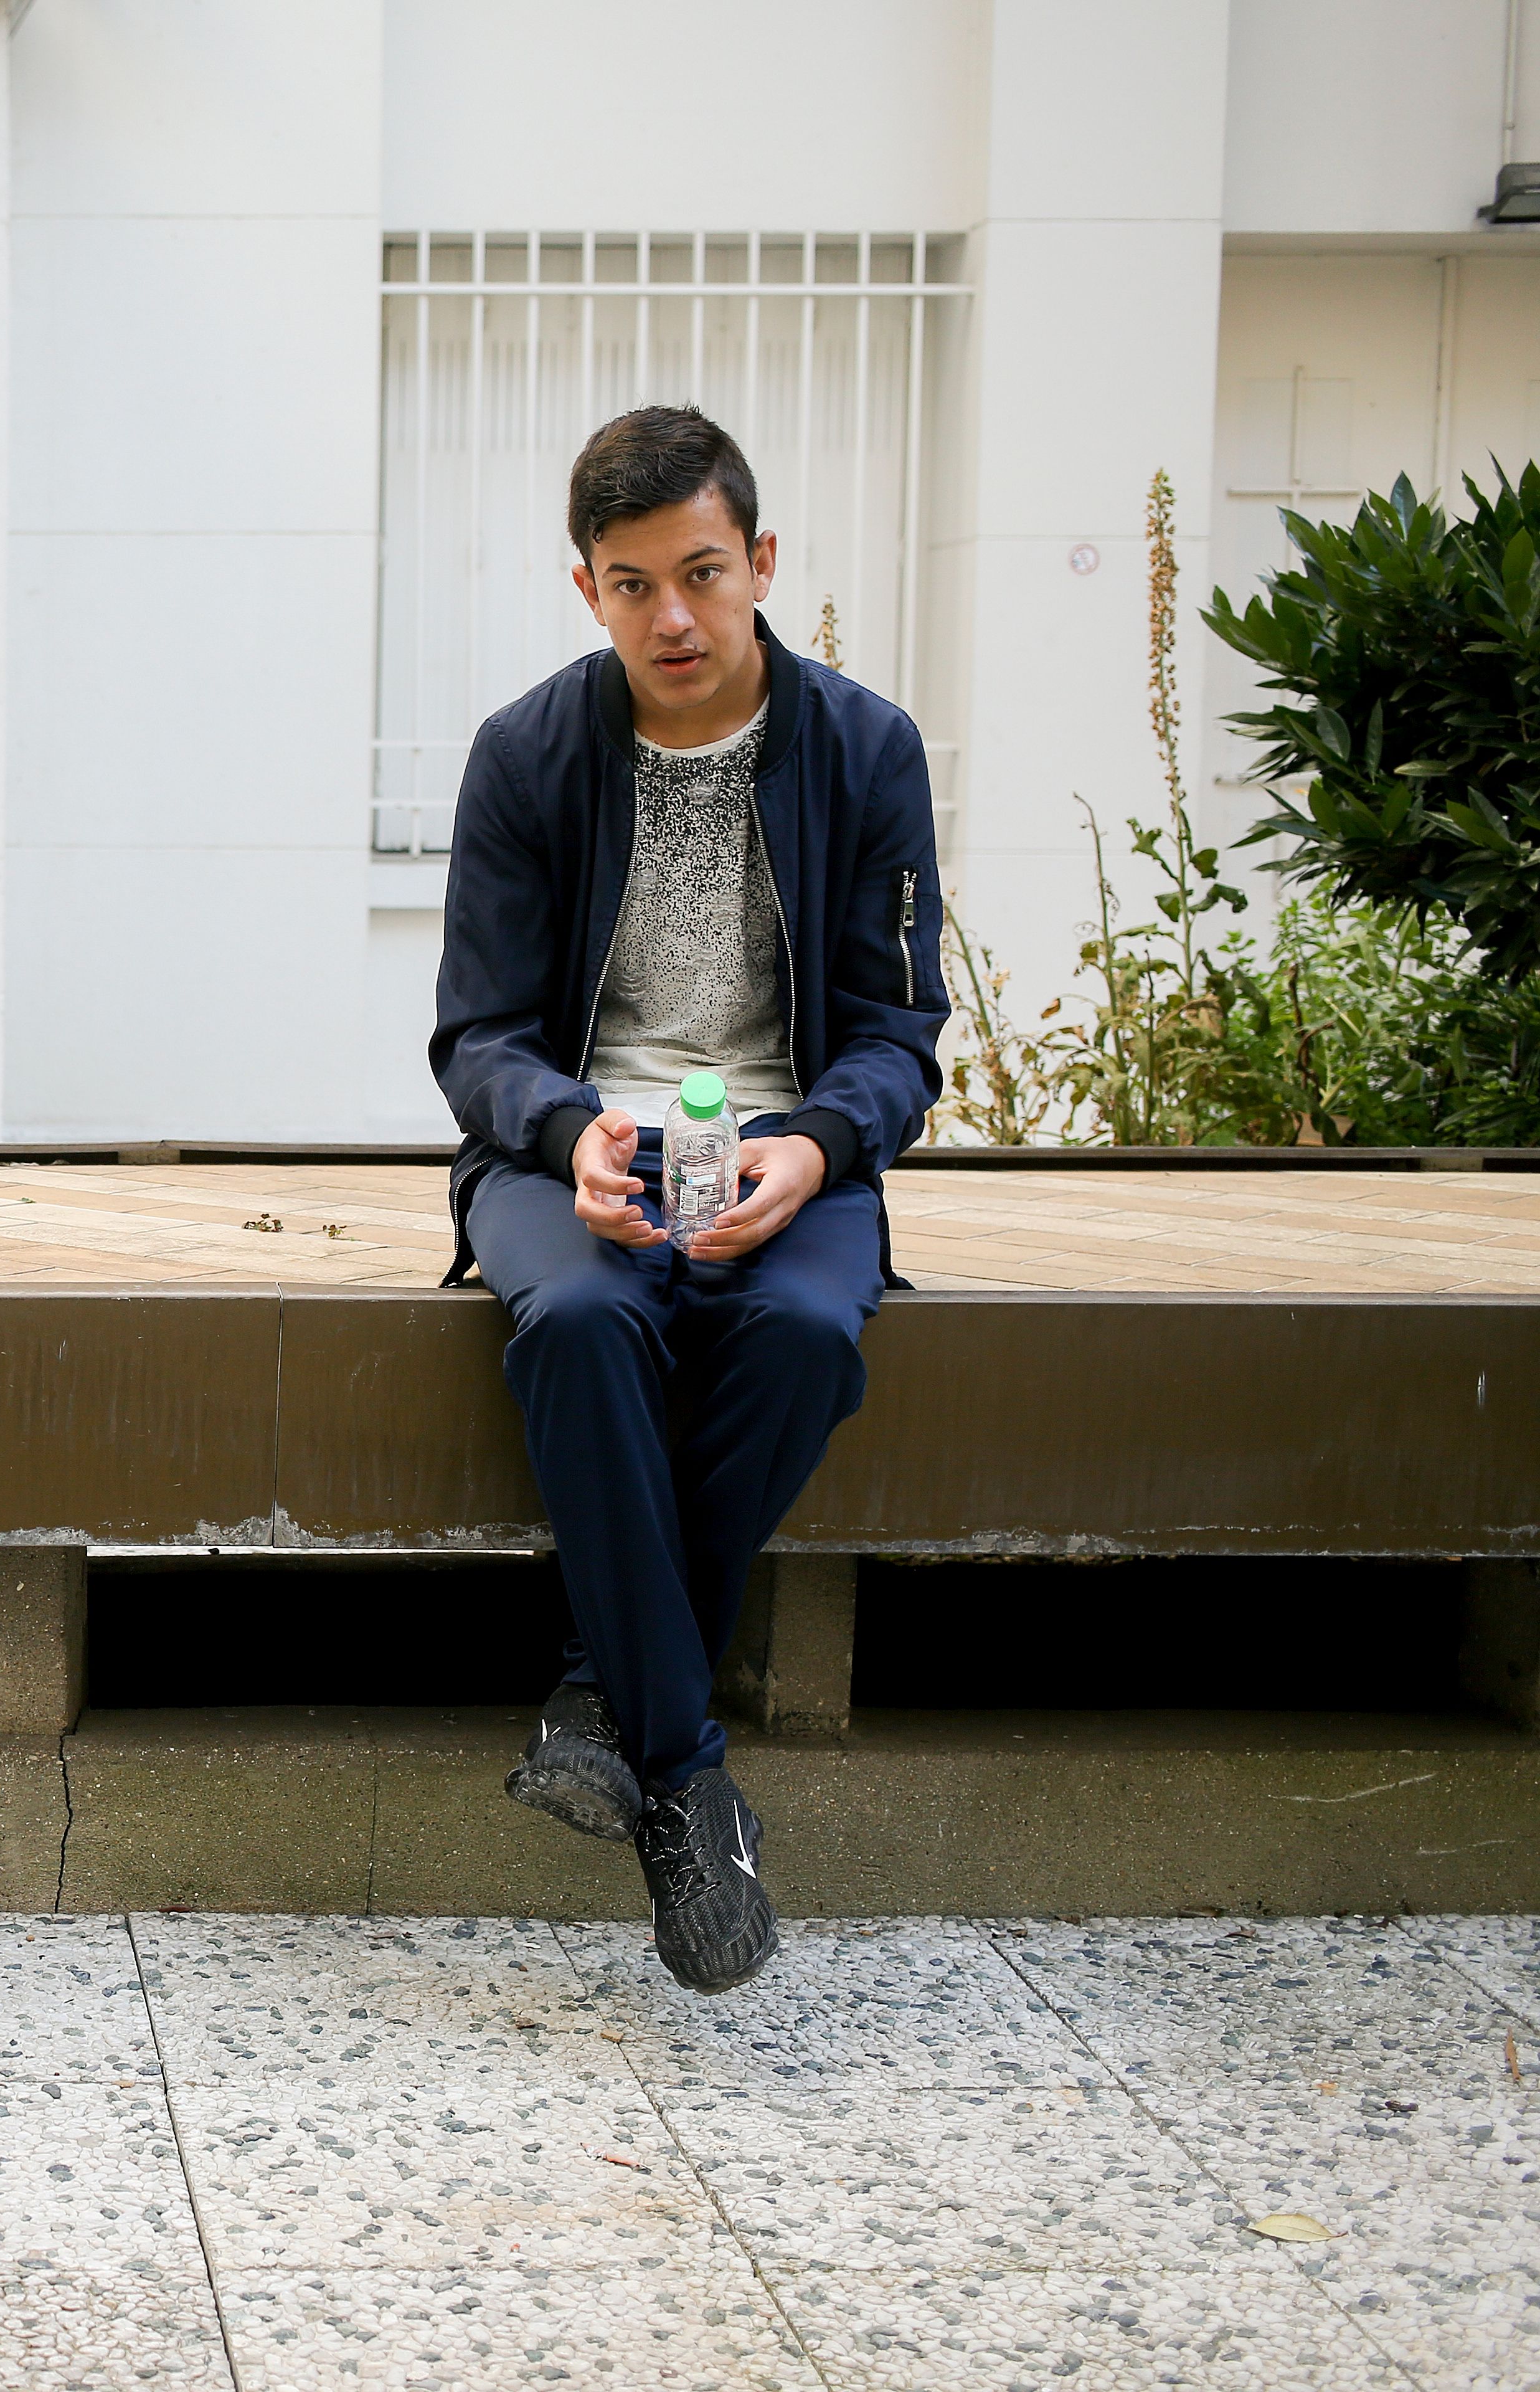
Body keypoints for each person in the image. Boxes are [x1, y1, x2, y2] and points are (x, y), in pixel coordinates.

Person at [430, 406, 947, 1994]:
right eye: (633, 582)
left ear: (761, 563)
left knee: (802, 1334)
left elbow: (900, 1032)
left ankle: (607, 1696)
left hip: (787, 1142)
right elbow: (477, 1034)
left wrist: (822, 1144)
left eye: (702, 574)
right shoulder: (528, 753)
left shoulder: (866, 749)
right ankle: (691, 1785)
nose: (672, 616)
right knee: (583, 1322)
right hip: (572, 1149)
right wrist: (565, 1130)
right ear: (586, 585)